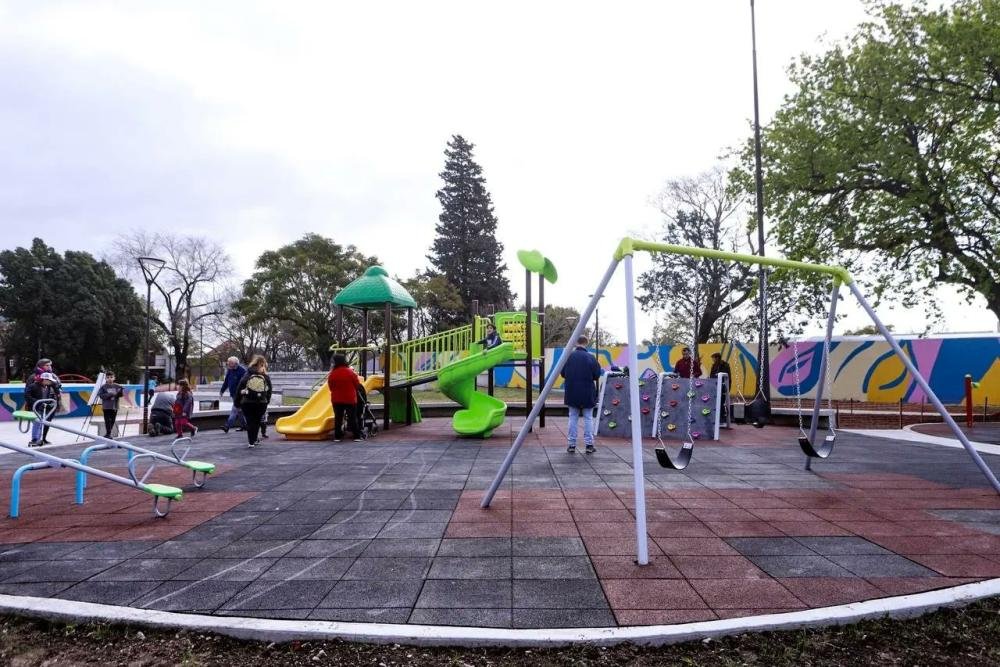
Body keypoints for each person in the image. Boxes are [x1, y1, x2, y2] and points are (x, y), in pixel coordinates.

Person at [561, 335, 602, 454]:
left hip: (572, 391)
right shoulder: (591, 358)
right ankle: (589, 445)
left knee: (572, 418)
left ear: (576, 343)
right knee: (588, 418)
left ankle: (571, 445)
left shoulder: (568, 357)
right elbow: (597, 375)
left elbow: (563, 373)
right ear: (586, 343)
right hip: (587, 392)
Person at [235, 355, 272, 448]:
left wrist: (237, 402)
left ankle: (251, 441)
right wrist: (267, 401)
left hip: (247, 402)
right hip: (261, 402)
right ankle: (254, 439)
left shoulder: (247, 374)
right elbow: (269, 390)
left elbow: (239, 388)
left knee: (250, 421)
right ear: (263, 364)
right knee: (257, 421)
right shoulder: (265, 376)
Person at [327, 353, 363, 442]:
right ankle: (357, 436)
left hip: (336, 399)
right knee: (352, 417)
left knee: (338, 418)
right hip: (350, 398)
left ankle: (337, 437)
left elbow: (330, 386)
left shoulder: (332, 374)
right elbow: (357, 385)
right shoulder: (350, 372)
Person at [25, 372, 60, 446]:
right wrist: (36, 402)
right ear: (44, 379)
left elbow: (46, 397)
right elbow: (27, 396)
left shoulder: (47, 387)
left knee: (41, 423)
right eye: (49, 380)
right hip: (34, 407)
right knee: (37, 423)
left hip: (42, 407)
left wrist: (49, 403)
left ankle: (38, 439)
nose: (50, 382)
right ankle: (34, 439)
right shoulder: (33, 386)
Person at [219, 356, 247, 433]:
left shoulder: (242, 371)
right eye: (228, 362)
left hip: (240, 395)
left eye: (230, 363)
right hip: (233, 394)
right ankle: (244, 426)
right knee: (240, 411)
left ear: (235, 363)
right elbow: (226, 382)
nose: (228, 364)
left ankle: (227, 426)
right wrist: (222, 391)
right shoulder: (230, 370)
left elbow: (246, 383)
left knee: (234, 410)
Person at [96, 371, 124, 438]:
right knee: (107, 420)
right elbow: (101, 395)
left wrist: (120, 391)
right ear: (105, 378)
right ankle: (108, 433)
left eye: (111, 377)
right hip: (106, 407)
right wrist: (110, 394)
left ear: (114, 378)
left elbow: (121, 395)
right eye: (108, 377)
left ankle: (108, 433)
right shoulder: (103, 387)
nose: (110, 379)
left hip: (114, 406)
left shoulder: (117, 386)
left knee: (112, 420)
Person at [710, 352, 733, 420]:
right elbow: (712, 375)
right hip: (715, 385)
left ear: (717, 358)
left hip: (723, 386)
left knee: (721, 401)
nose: (713, 360)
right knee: (716, 401)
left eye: (713, 358)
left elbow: (726, 375)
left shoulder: (725, 365)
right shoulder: (714, 365)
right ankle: (717, 417)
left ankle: (722, 417)